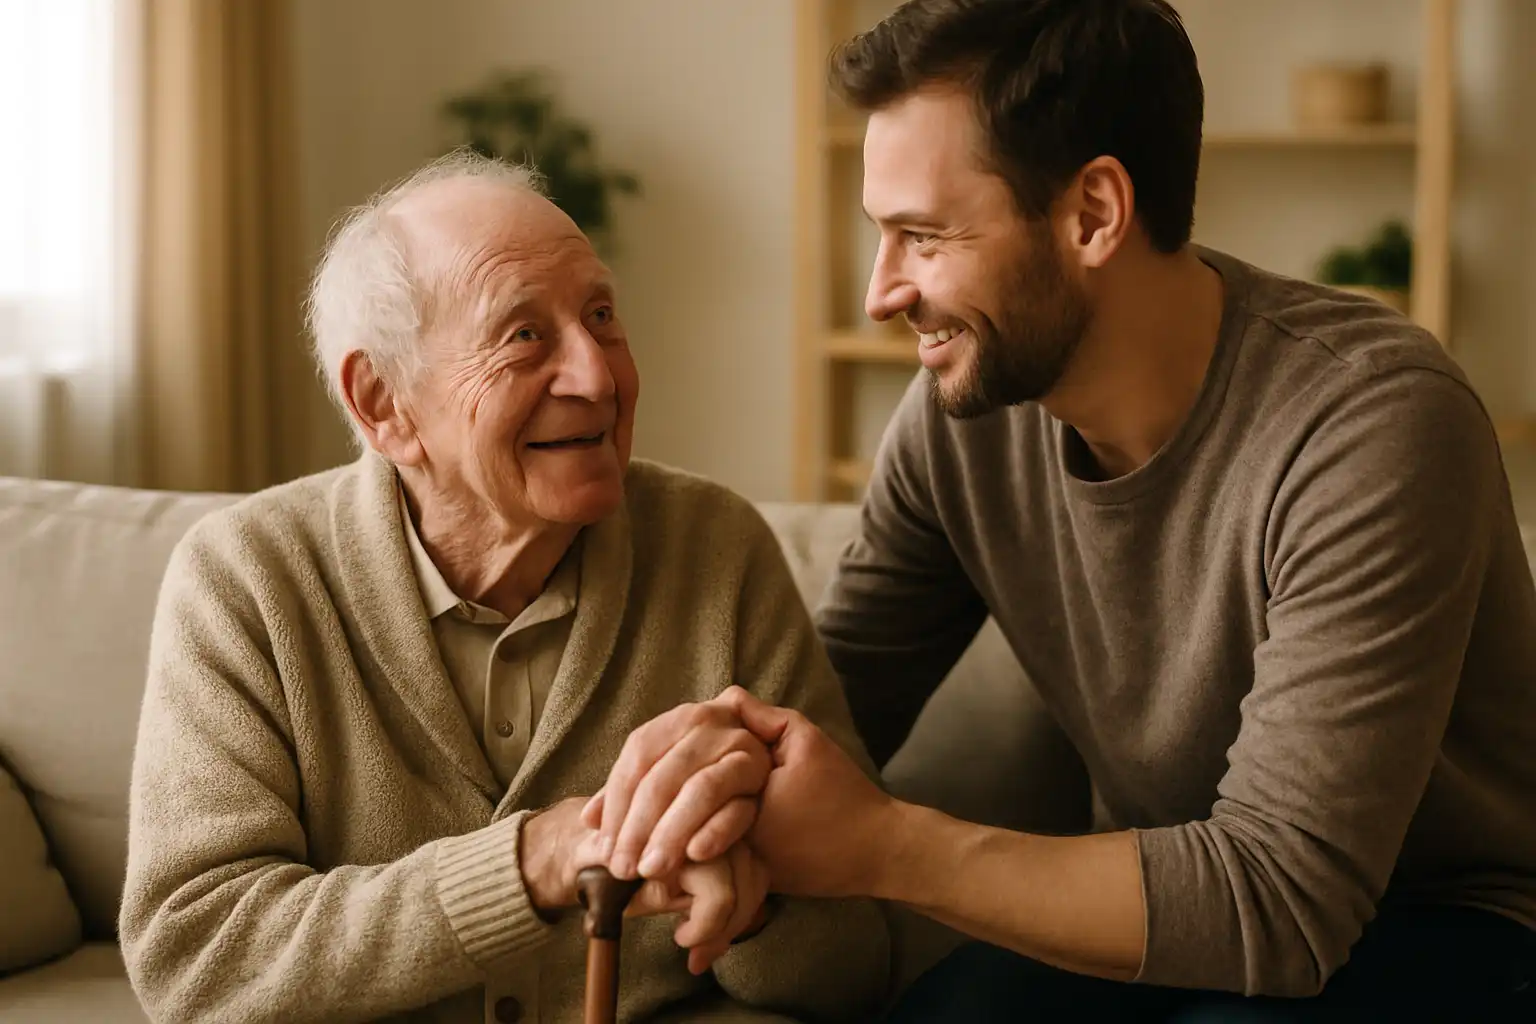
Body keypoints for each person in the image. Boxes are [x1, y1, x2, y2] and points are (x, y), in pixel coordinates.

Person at [577, 0, 1536, 1018]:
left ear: (1094, 214)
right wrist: (714, 791)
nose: (881, 292)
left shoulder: (1370, 424)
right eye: (881, 236)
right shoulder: (962, 421)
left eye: (924, 236)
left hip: (1449, 926)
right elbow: (833, 703)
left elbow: (1283, 902)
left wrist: (887, 846)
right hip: (1160, 918)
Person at [117, 151, 890, 1024]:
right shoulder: (247, 579)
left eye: (601, 316)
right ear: (383, 403)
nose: (596, 377)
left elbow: (856, 960)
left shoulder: (717, 550)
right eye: (524, 335)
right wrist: (535, 862)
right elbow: (197, 958)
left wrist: (751, 895)